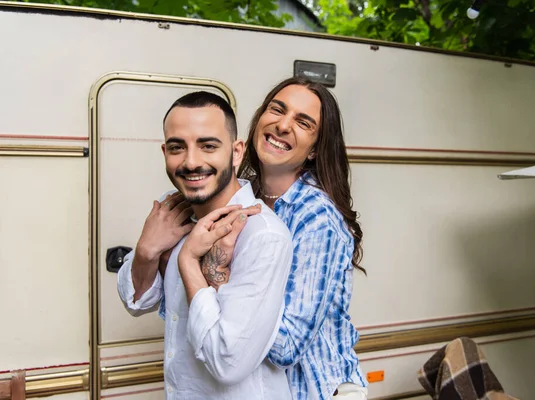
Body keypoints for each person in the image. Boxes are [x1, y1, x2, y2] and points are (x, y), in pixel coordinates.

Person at [116, 91, 294, 400]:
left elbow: (227, 362)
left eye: (208, 145)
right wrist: (146, 250)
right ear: (164, 153)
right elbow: (137, 301)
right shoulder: (172, 211)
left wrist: (188, 261)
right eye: (177, 147)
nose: (191, 162)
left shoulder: (263, 235)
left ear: (236, 152)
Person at [208, 77, 369, 400]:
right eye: (276, 109)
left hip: (318, 392)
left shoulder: (317, 218)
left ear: (314, 150)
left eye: (303, 122)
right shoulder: (243, 197)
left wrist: (216, 274)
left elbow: (287, 345)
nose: (282, 125)